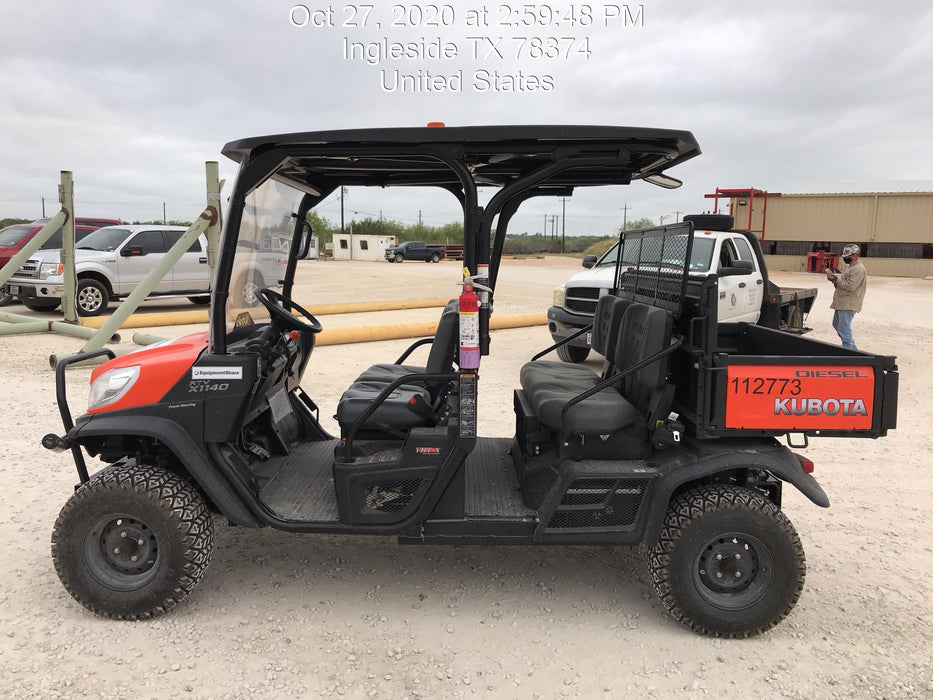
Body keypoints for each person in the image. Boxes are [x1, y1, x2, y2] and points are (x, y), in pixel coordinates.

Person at [826, 243, 866, 349]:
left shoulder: (858, 269)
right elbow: (843, 282)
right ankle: (851, 347)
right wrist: (834, 280)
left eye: (848, 257)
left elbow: (851, 286)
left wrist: (836, 279)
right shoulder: (850, 267)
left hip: (849, 303)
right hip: (842, 302)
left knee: (844, 327)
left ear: (854, 255)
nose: (846, 259)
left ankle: (849, 348)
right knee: (837, 324)